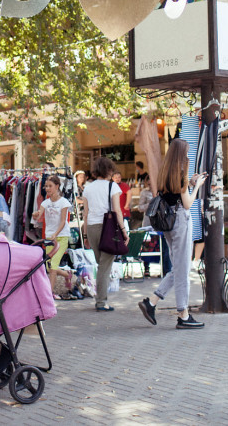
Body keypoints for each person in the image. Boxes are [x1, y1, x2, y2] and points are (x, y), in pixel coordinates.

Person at [137, 139, 207, 330]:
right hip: (181, 221)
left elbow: (173, 193)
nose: (188, 156)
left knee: (179, 267)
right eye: (186, 153)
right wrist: (197, 185)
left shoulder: (164, 172)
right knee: (183, 269)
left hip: (168, 222)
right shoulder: (181, 174)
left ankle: (151, 302)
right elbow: (187, 203)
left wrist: (189, 183)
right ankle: (183, 314)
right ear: (182, 154)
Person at [78, 156, 127, 312]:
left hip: (92, 228)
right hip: (108, 229)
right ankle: (101, 302)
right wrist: (124, 231)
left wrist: (85, 235)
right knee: (104, 267)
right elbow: (117, 210)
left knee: (102, 265)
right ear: (109, 170)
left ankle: (101, 299)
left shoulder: (88, 187)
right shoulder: (113, 187)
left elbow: (85, 213)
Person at [33, 175, 70, 298]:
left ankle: (49, 295)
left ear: (57, 186)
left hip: (61, 237)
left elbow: (63, 221)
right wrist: (35, 215)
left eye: (50, 186)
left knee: (53, 265)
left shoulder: (64, 202)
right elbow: (38, 217)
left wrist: (56, 234)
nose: (47, 188)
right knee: (49, 267)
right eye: (46, 186)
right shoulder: (45, 203)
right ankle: (67, 274)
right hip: (49, 238)